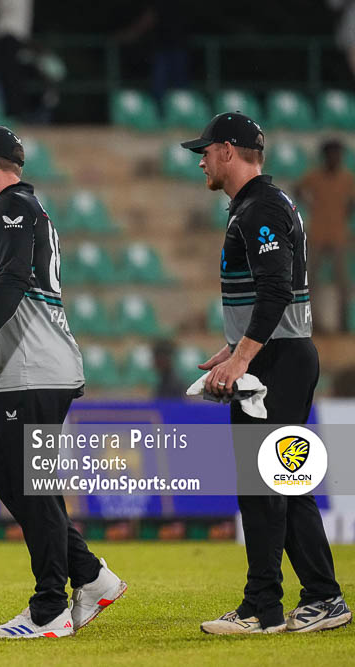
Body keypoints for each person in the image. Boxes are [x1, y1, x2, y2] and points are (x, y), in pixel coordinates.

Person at [0, 126, 126, 639]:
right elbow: (4, 299)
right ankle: (90, 576)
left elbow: (16, 282)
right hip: (35, 369)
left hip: (34, 371)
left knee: (29, 487)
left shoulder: (10, 207)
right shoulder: (23, 209)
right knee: (17, 483)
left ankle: (49, 609)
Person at [182, 112, 352, 635]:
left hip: (276, 361)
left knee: (262, 487)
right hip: (279, 355)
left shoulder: (261, 208)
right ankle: (323, 597)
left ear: (228, 151)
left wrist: (243, 359)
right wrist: (234, 348)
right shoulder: (261, 205)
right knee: (285, 483)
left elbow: (277, 290)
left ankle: (262, 607)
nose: (202, 161)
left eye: (206, 151)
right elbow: (270, 295)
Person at [297, 139, 355, 332]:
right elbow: (298, 189)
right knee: (311, 282)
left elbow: (352, 202)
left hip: (338, 236)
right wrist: (309, 204)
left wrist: (345, 212)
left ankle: (344, 323)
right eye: (332, 154)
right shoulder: (315, 176)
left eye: (338, 155)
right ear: (325, 157)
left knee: (343, 283)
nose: (335, 158)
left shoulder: (347, 178)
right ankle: (312, 322)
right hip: (318, 235)